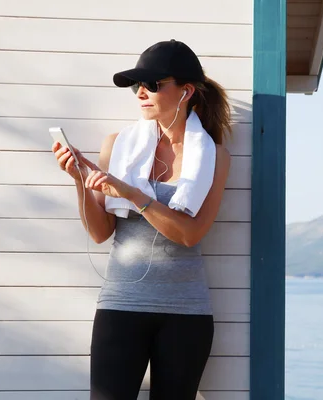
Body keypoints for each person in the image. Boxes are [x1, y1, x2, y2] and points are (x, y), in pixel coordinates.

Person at [52, 39, 232, 400]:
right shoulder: (117, 145)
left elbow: (189, 235)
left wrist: (134, 193)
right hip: (121, 306)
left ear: (186, 91)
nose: (141, 94)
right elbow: (102, 232)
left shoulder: (214, 155)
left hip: (185, 313)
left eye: (153, 84)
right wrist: (80, 182)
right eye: (137, 86)